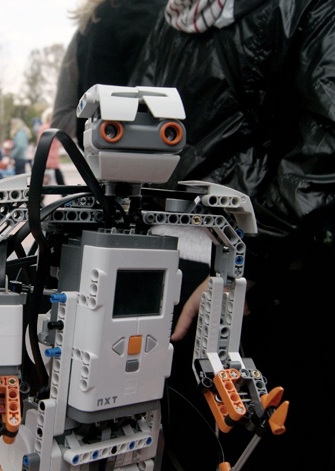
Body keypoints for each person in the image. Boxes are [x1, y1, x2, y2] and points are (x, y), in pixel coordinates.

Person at [120, 1, 335, 470]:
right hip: (186, 269)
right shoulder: (171, 16)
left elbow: (323, 152)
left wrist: (245, 266)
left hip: (250, 279)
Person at [51, 0, 167, 145]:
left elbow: (61, 118)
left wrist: (96, 126)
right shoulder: (178, 19)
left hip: (105, 148)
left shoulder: (88, 25)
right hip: (174, 144)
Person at [37, 107, 65, 185]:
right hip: (50, 155)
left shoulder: (44, 127)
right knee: (57, 176)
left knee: (46, 178)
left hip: (48, 155)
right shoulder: (49, 127)